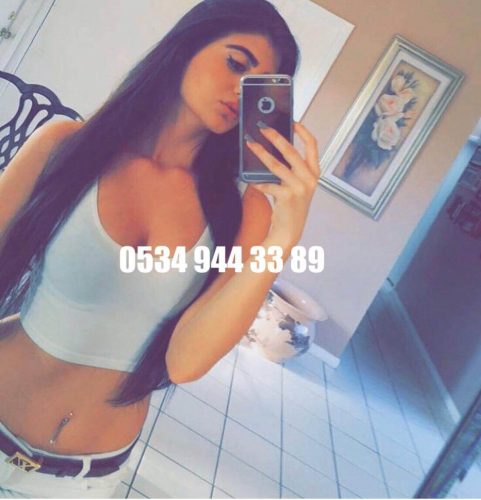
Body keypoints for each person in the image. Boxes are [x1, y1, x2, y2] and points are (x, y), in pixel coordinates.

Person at [0, 0, 320, 497]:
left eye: (260, 86)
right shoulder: (65, 145)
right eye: (236, 64)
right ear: (187, 46)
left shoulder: (243, 208)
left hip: (82, 478)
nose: (242, 92)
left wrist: (283, 237)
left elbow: (185, 363)